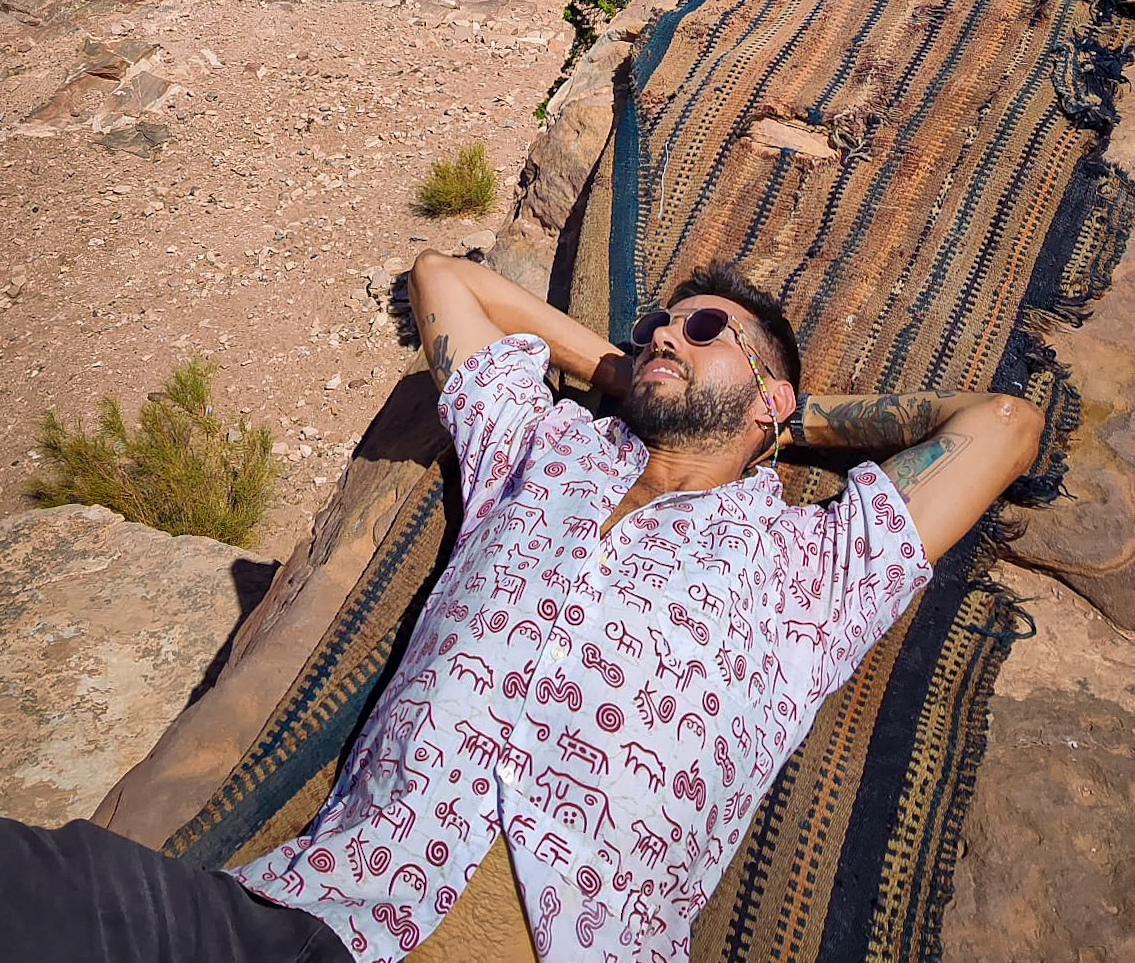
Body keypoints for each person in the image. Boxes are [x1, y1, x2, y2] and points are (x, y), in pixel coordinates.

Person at [5, 251, 1042, 963]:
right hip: (321, 917)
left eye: (706, 326)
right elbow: (445, 280)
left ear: (769, 395)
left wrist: (787, 423)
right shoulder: (537, 447)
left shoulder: (814, 565)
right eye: (656, 324)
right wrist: (628, 367)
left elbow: (1000, 426)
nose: (667, 333)